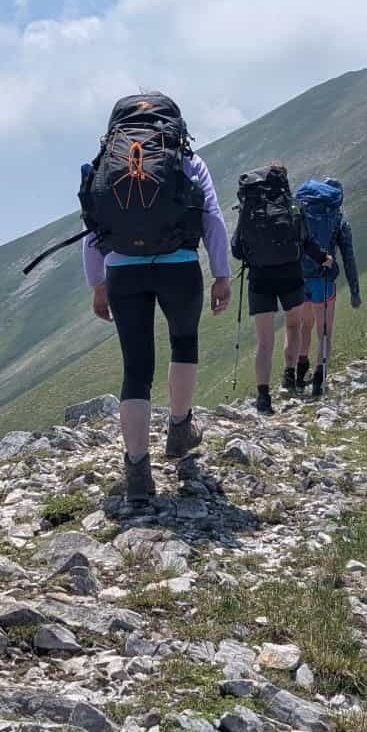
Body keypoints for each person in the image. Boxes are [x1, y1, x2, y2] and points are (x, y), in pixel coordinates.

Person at [80, 93, 232, 505]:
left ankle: (137, 473)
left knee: (136, 368)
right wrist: (221, 274)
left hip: (122, 271)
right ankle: (180, 430)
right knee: (184, 343)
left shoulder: (104, 164)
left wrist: (97, 283)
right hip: (179, 266)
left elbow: (93, 225)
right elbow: (212, 218)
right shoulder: (186, 160)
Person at [231, 162, 331, 414]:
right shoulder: (293, 204)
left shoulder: (251, 205)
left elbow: (236, 249)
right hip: (290, 274)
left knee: (265, 341)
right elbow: (306, 241)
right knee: (293, 326)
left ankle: (263, 397)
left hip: (259, 279)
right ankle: (289, 375)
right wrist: (323, 258)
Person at [286, 178, 361, 396]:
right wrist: (355, 292)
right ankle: (319, 379)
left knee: (302, 327)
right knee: (324, 332)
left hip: (299, 279)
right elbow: (349, 259)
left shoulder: (303, 213)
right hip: (324, 280)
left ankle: (296, 375)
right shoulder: (338, 222)